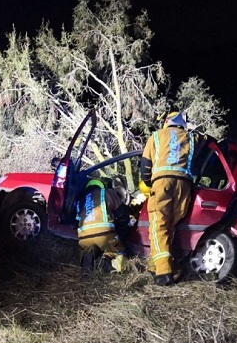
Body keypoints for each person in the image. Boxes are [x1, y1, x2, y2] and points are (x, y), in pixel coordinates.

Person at [139, 112, 196, 285]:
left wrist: (149, 184)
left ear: (167, 122)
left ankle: (163, 273)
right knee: (170, 226)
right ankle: (155, 265)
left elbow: (145, 166)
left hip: (163, 183)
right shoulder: (191, 138)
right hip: (184, 186)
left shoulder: (156, 136)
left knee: (158, 224)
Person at [77, 178, 129, 273]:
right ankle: (108, 262)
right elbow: (122, 213)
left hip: (84, 237)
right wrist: (123, 227)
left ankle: (89, 256)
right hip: (106, 235)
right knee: (117, 251)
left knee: (88, 248)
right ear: (102, 185)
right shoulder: (107, 192)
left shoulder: (80, 201)